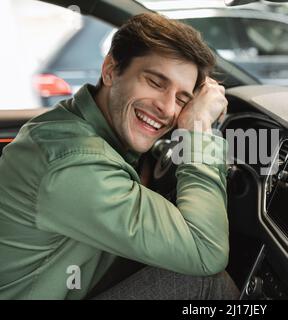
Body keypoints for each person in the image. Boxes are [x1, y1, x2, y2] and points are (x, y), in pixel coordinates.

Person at [0, 12, 239, 300]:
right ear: (111, 70)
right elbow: (206, 251)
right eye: (155, 82)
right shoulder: (73, 162)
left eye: (182, 100)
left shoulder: (84, 127)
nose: (166, 108)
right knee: (204, 282)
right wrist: (198, 131)